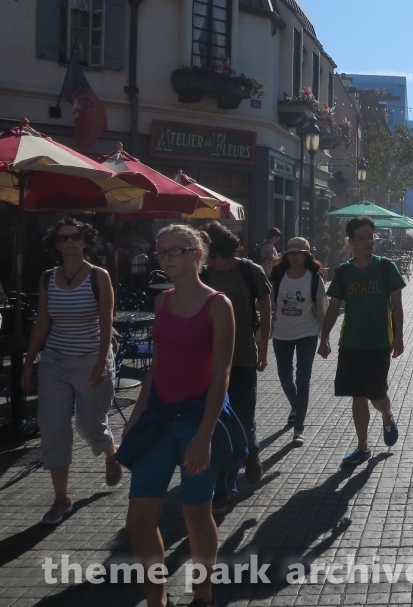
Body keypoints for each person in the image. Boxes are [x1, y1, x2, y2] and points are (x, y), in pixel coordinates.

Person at [118, 225, 242, 607]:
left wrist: (205, 434)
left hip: (196, 417)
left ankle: (202, 593)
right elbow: (156, 367)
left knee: (196, 513)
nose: (167, 257)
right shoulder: (162, 302)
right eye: (161, 252)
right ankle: (157, 599)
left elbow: (222, 373)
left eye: (177, 250)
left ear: (198, 254)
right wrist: (136, 418)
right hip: (158, 417)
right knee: (138, 519)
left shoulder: (219, 304)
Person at [21, 217, 119, 525]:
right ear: (56, 244)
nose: (69, 242)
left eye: (75, 236)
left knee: (90, 426)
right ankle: (61, 497)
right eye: (63, 238)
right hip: (54, 362)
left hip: (91, 358)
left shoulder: (98, 276)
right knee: (53, 427)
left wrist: (102, 361)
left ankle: (110, 451)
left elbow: (106, 323)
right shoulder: (48, 277)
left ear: (85, 241)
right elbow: (42, 323)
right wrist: (28, 364)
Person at [318, 216, 406, 466]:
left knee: (377, 394)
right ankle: (362, 446)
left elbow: (397, 305)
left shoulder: (386, 267)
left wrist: (398, 336)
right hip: (351, 343)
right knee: (358, 394)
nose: (368, 242)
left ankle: (387, 415)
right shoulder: (344, 272)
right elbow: (333, 307)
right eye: (362, 238)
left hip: (379, 343)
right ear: (351, 242)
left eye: (371, 236)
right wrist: (324, 338)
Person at [199, 221, 272, 511]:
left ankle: (251, 452)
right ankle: (222, 488)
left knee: (242, 419)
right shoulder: (201, 273)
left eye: (208, 252)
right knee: (216, 425)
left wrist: (264, 347)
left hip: (242, 358)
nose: (206, 257)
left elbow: (266, 310)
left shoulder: (249, 270)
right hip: (207, 362)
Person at [269, 237, 328, 445]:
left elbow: (322, 311)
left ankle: (299, 427)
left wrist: (324, 339)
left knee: (303, 380)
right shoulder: (277, 277)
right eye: (290, 253)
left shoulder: (313, 279)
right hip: (281, 334)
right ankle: (296, 405)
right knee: (285, 378)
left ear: (306, 256)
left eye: (298, 253)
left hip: (307, 333)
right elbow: (268, 307)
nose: (294, 257)